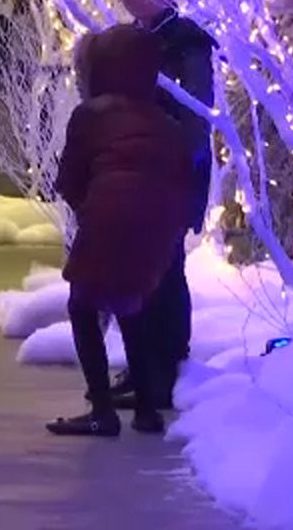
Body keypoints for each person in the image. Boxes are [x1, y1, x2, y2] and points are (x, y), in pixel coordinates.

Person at [46, 25, 194, 437]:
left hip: (109, 211)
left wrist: (89, 209)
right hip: (160, 219)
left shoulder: (91, 115)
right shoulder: (164, 120)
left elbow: (71, 179)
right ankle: (147, 409)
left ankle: (101, 410)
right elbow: (184, 172)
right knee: (132, 304)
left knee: (83, 305)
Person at [111, 0, 216, 410]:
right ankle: (142, 368)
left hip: (169, 177)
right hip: (135, 176)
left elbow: (196, 116)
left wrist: (174, 170)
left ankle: (165, 369)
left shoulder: (187, 44)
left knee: (164, 270)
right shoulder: (135, 38)